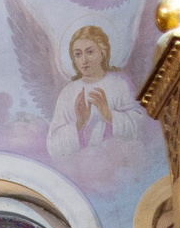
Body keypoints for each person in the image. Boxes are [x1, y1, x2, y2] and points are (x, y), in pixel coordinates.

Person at [48, 25, 149, 160]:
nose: (84, 60)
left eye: (90, 52)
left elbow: (140, 128)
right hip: (81, 165)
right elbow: (53, 144)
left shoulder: (118, 85)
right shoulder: (68, 93)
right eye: (78, 54)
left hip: (117, 162)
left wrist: (109, 116)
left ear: (102, 53)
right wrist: (79, 124)